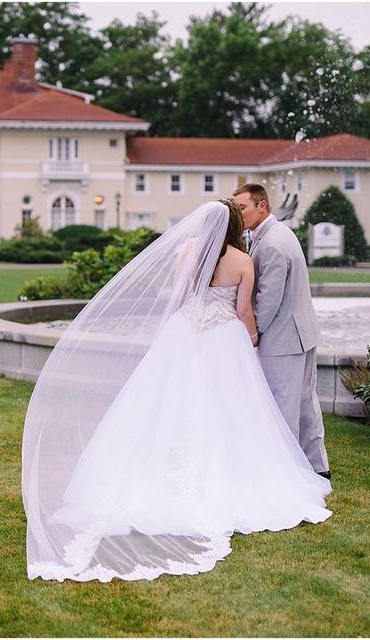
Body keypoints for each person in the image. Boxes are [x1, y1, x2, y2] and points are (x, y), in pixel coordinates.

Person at [22, 200, 331, 583]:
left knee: (165, 404)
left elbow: (181, 295)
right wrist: (251, 338)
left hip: (185, 333)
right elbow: (245, 311)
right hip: (223, 338)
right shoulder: (242, 261)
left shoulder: (186, 251)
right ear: (236, 224)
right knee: (231, 409)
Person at [232, 184, 331, 479]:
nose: (239, 215)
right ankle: (317, 468)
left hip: (284, 338)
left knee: (284, 408)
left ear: (262, 206)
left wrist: (252, 335)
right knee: (304, 404)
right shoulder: (278, 234)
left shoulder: (272, 243)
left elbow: (268, 299)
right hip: (300, 333)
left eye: (243, 208)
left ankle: (286, 476)